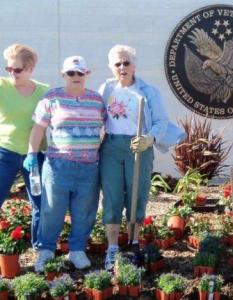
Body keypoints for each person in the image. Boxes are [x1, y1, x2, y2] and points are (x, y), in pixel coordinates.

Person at [99, 44, 185, 271]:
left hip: (139, 146)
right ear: (111, 67)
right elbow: (97, 118)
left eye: (126, 63)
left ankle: (134, 242)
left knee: (137, 194)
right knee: (111, 195)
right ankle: (112, 248)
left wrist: (149, 139)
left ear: (134, 65)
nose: (122, 67)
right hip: (111, 147)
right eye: (117, 64)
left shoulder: (147, 92)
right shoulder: (106, 89)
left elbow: (161, 122)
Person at [23, 56, 106, 272]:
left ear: (86, 74)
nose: (76, 77)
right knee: (52, 210)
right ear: (63, 75)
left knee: (85, 211)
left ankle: (77, 250)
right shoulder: (52, 97)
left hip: (89, 167)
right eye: (71, 73)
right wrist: (32, 153)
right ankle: (46, 251)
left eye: (80, 73)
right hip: (58, 166)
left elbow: (106, 127)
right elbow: (38, 128)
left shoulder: (97, 100)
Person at [0, 44, 49, 248]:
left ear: (30, 68)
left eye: (17, 69)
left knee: (40, 203)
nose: (12, 73)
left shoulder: (44, 91)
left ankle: (41, 248)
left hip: (34, 156)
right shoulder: (2, 87)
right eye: (8, 69)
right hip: (5, 152)